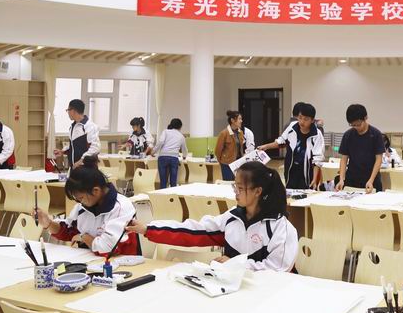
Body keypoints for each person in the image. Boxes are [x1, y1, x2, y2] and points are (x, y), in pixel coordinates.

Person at [127, 162, 297, 272]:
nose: (235, 193)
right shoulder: (232, 218)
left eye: (240, 188)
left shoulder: (281, 227)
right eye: (235, 187)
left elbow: (278, 270)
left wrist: (234, 265)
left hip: (269, 295)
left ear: (258, 191)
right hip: (233, 289)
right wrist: (148, 229)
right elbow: (193, 230)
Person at [36, 156, 140, 256]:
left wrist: (84, 237)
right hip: (91, 259)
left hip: (121, 263)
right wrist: (48, 223)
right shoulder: (84, 206)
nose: (79, 202)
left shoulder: (121, 207)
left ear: (96, 191)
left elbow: (108, 248)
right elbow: (68, 231)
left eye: (81, 198)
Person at [258, 103, 324, 190]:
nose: (302, 122)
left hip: (307, 172)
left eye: (306, 119)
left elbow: (317, 159)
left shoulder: (317, 134)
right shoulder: (292, 126)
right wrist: (266, 146)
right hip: (291, 169)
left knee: (307, 193)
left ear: (312, 120)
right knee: (290, 192)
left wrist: (315, 179)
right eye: (300, 118)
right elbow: (281, 141)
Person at [336, 104, 384, 193]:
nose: (356, 127)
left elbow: (379, 159)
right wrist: (341, 179)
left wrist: (371, 180)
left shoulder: (376, 134)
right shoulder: (348, 135)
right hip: (352, 179)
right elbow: (344, 159)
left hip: (371, 179)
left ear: (365, 118)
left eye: (358, 124)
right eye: (353, 125)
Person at [54, 99, 100, 169]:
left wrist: (81, 161)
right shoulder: (73, 126)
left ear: (73, 111)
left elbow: (95, 148)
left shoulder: (90, 126)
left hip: (87, 168)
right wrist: (63, 151)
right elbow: (74, 145)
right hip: (74, 167)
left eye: (68, 110)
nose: (68, 112)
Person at [153, 118, 188, 189]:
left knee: (163, 181)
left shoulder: (165, 132)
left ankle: (162, 194)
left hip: (163, 157)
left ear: (171, 124)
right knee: (173, 182)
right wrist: (184, 156)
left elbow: (160, 142)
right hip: (174, 158)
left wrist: (154, 151)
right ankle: (172, 194)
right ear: (180, 127)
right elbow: (184, 148)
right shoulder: (181, 136)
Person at [215, 111, 247, 181]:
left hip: (238, 163)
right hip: (227, 164)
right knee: (227, 183)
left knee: (237, 182)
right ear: (232, 120)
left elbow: (241, 147)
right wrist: (222, 161)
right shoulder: (224, 133)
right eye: (239, 119)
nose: (241, 121)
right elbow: (218, 151)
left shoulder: (240, 132)